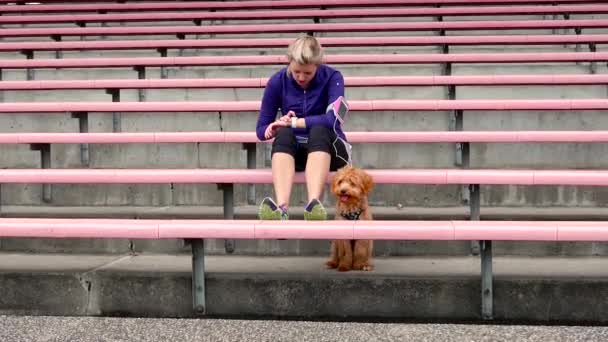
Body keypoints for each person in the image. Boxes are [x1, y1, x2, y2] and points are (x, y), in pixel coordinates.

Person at [255, 35, 351, 221]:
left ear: (317, 65)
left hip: (331, 151)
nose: (301, 77)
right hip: (297, 153)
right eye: (296, 71)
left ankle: (314, 205)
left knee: (319, 130)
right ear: (289, 62)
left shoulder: (333, 77)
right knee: (284, 133)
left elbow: (333, 120)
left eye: (308, 73)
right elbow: (261, 129)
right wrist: (273, 128)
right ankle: (281, 208)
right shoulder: (277, 81)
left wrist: (297, 122)